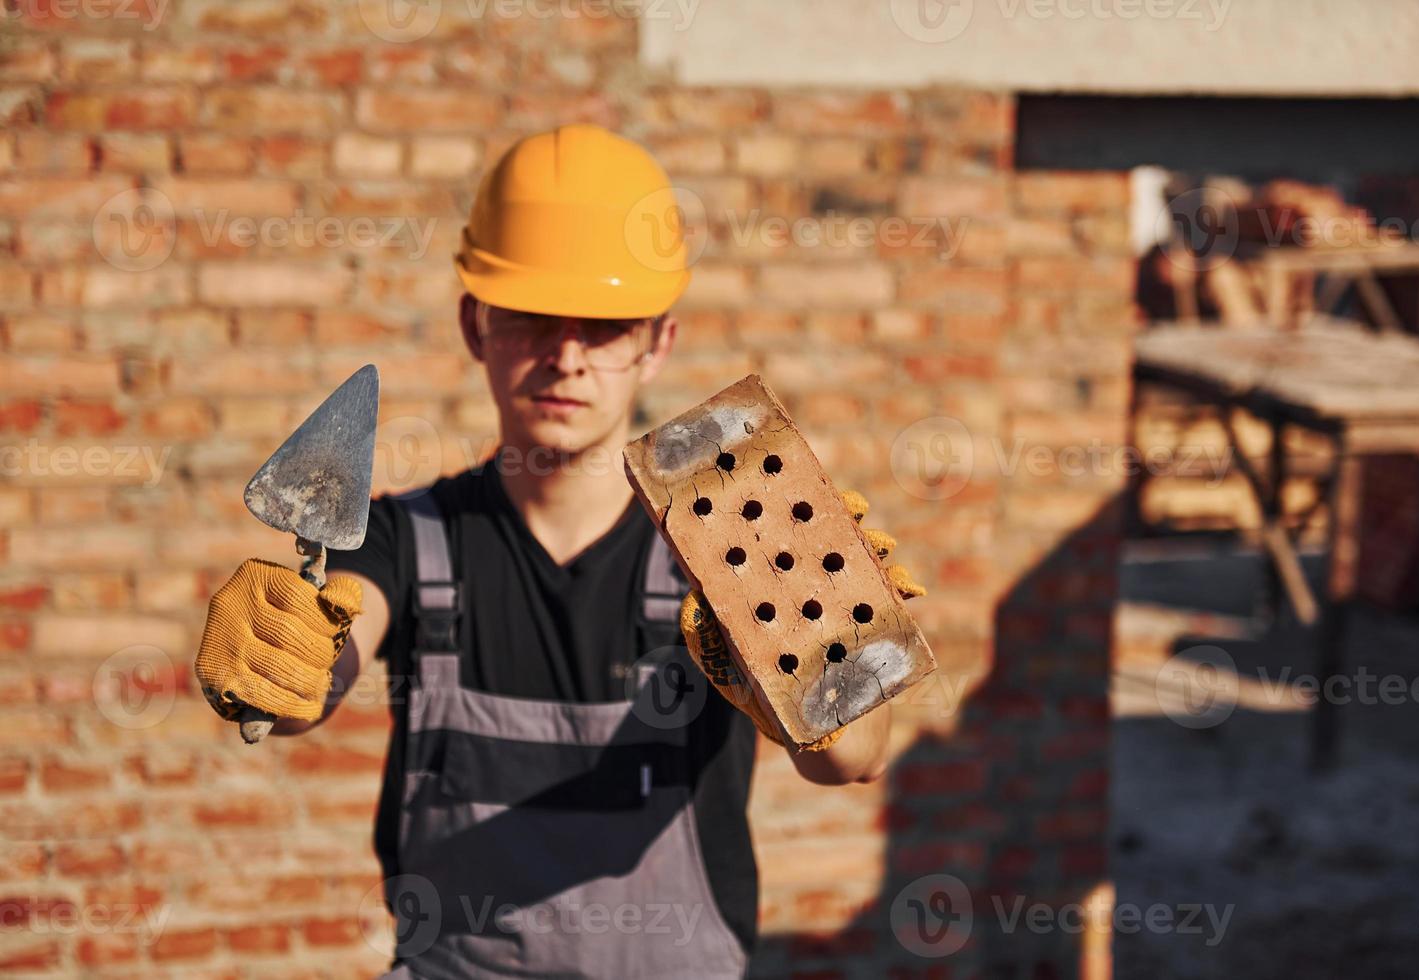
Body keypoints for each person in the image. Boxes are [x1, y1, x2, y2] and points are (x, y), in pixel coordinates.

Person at [194, 124, 923, 978]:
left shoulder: (735, 551)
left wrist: (819, 675)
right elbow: (319, 669)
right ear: (477, 323)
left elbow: (857, 761)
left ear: (659, 343)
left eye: (607, 325)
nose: (566, 356)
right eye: (533, 316)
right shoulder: (408, 541)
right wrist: (278, 664)